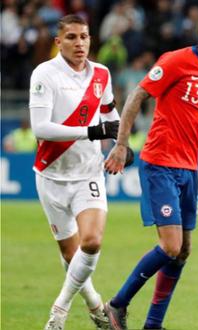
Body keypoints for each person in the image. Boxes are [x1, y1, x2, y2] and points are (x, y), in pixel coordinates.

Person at [103, 4, 198, 330]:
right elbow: (136, 96)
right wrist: (122, 143)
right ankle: (116, 305)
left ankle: (153, 324)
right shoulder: (175, 60)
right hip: (159, 163)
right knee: (170, 246)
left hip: (189, 168)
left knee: (182, 251)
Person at [29, 15, 122, 330]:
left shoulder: (102, 74)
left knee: (92, 242)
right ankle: (96, 306)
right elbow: (41, 129)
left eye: (84, 37)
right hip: (52, 177)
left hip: (88, 174)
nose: (79, 43)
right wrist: (93, 131)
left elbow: (110, 113)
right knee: (72, 256)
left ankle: (59, 312)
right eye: (71, 37)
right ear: (59, 42)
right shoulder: (45, 74)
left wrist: (120, 144)